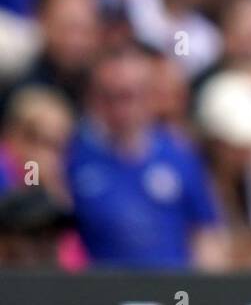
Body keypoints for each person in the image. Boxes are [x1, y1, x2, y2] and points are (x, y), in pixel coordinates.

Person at [66, 44, 227, 268]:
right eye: (111, 96)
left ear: (150, 96)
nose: (121, 109)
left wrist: (205, 291)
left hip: (171, 291)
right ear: (94, 97)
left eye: (131, 95)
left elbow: (207, 234)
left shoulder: (180, 156)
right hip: (99, 292)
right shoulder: (73, 156)